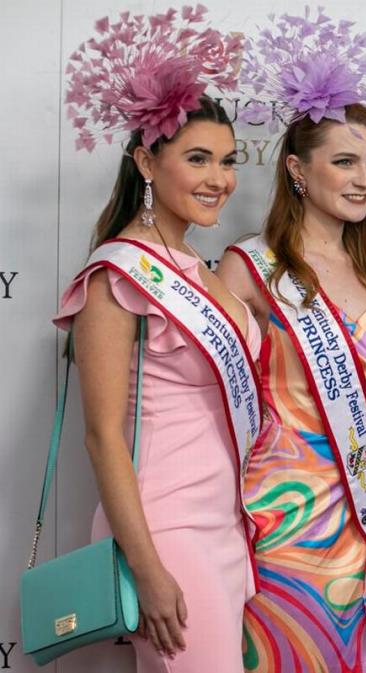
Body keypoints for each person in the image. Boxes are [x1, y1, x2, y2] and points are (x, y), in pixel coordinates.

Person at [55, 9, 258, 671]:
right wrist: (146, 565)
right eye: (197, 158)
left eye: (227, 161)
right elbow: (102, 434)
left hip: (226, 529)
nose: (218, 178)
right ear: (147, 160)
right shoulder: (119, 272)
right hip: (163, 531)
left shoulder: (204, 269)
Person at [217, 10, 366, 671]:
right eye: (346, 161)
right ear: (299, 170)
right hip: (280, 530)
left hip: (365, 534)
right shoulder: (249, 269)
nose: (365, 178)